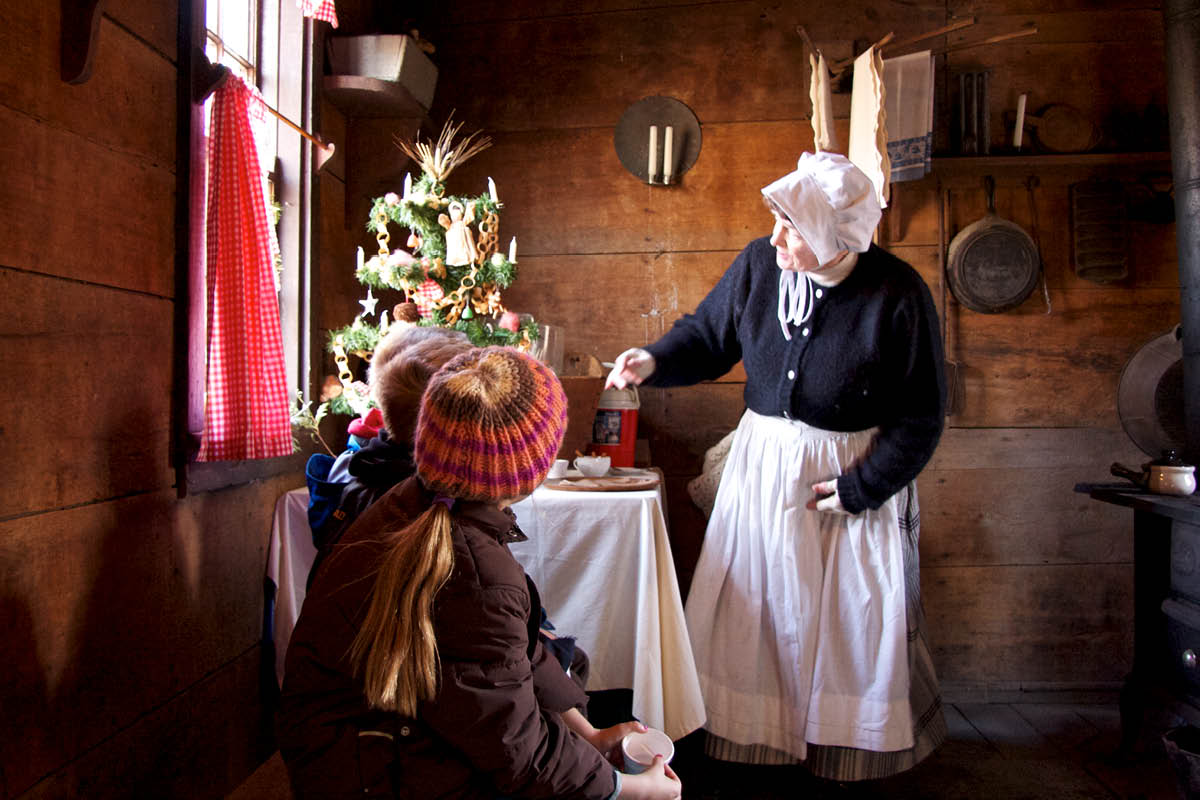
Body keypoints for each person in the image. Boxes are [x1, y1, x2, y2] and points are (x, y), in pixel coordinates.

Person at [605, 151, 947, 782]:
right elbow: (708, 337)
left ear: (835, 235)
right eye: (778, 221)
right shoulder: (761, 266)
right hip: (763, 469)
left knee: (848, 617)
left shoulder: (897, 295)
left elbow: (921, 417)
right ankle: (754, 739)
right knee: (754, 605)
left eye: (793, 226)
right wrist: (654, 361)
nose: (775, 236)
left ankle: (840, 747)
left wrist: (861, 487)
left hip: (847, 476)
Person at [279, 346, 683, 800]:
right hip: (362, 767)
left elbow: (509, 659)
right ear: (532, 466)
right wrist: (629, 789)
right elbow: (518, 753)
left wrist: (586, 734)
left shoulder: (425, 506)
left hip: (362, 741)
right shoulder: (470, 570)